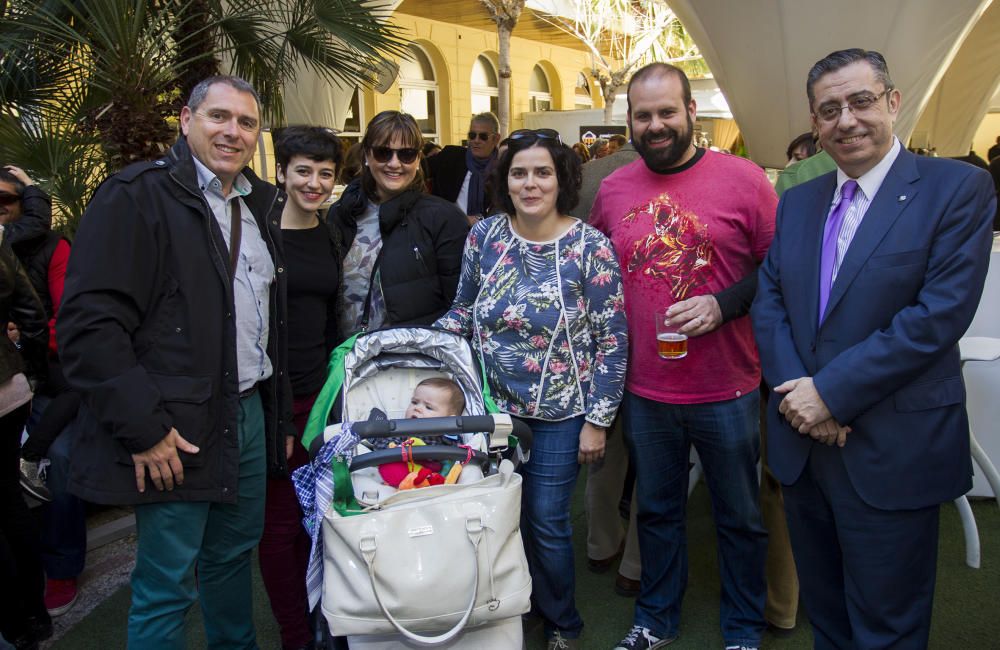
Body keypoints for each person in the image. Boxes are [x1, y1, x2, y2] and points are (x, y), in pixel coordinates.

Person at [751, 49, 996, 649]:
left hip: (890, 448)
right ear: (815, 122)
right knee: (828, 620)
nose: (847, 120)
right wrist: (799, 400)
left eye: (861, 101)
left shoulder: (957, 189)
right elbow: (770, 302)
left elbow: (936, 318)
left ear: (893, 102)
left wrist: (830, 394)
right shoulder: (800, 201)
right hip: (803, 447)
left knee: (888, 627)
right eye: (829, 109)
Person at [58, 75, 295, 647]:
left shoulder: (259, 202)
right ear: (186, 121)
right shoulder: (136, 195)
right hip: (174, 427)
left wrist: (277, 420)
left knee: (232, 561)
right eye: (219, 117)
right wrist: (144, 430)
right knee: (166, 584)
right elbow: (90, 326)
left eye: (245, 122)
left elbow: (266, 327)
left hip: (248, 415)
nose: (231, 132)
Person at [589, 62, 775, 650]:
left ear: (693, 112)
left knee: (739, 518)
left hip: (729, 388)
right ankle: (655, 619)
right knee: (659, 514)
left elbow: (780, 274)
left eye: (667, 111)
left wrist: (724, 304)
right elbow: (598, 279)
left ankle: (743, 627)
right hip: (646, 391)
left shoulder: (745, 180)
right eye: (643, 116)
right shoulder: (613, 190)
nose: (656, 124)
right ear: (629, 122)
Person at [437, 128, 628, 650]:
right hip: (492, 412)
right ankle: (516, 609)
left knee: (546, 521)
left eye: (542, 171)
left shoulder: (592, 247)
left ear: (561, 178)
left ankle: (562, 621)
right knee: (503, 518)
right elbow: (463, 309)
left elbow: (613, 338)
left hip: (563, 413)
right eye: (519, 172)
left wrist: (598, 420)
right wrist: (419, 343)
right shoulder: (485, 238)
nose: (530, 182)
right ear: (506, 179)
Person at [259, 125, 343, 650]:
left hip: (324, 395)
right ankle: (296, 632)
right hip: (274, 400)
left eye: (325, 174)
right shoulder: (260, 234)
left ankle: (328, 617)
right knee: (281, 524)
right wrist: (280, 416)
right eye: (304, 171)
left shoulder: (329, 231)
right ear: (283, 173)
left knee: (324, 517)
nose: (314, 183)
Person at [0, 165, 85, 618]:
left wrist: (23, 341)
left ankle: (63, 567)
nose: (2, 213)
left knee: (59, 466)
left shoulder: (55, 247)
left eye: (7, 202)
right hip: (13, 382)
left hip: (53, 379)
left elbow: (69, 320)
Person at [328, 110, 469, 337]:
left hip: (414, 363)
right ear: (366, 155)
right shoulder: (341, 213)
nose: (394, 164)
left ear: (418, 159)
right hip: (347, 360)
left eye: (406, 154)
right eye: (383, 153)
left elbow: (459, 306)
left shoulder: (444, 219)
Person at [0, 225, 50, 650]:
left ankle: (16, 623)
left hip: (11, 386)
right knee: (10, 504)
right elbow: (30, 310)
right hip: (11, 387)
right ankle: (33, 615)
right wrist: (32, 370)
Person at [426, 112, 500, 221]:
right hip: (446, 230)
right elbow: (419, 169)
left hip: (486, 234)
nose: (476, 141)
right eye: (472, 135)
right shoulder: (450, 157)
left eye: (483, 136)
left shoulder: (502, 169)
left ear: (496, 139)